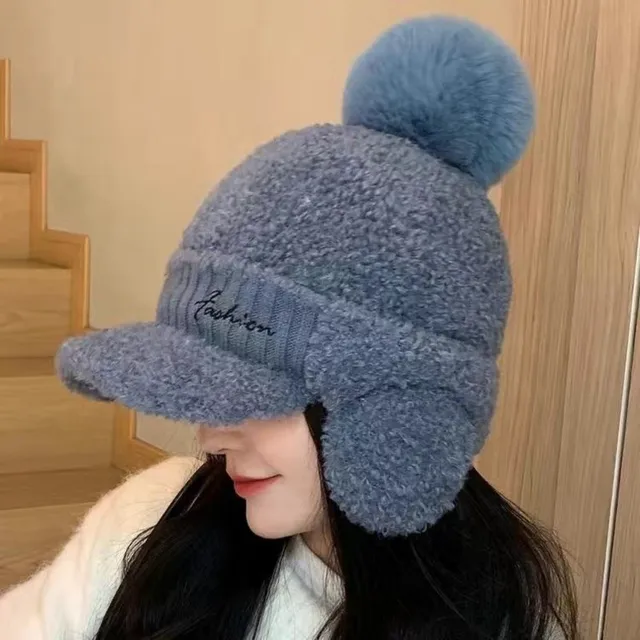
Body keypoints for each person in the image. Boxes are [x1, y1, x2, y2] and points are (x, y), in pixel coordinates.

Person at [0, 15, 579, 640]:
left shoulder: (502, 618)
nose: (210, 436)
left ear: (400, 414)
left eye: (256, 394)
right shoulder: (146, 522)